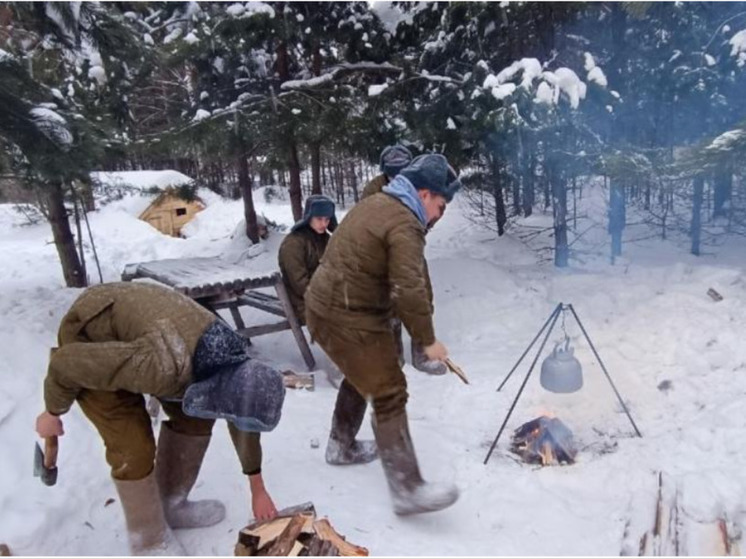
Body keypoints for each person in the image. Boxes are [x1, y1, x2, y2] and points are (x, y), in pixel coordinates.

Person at [35, 282, 286, 555]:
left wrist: (257, 487)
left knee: (197, 416)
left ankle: (171, 504)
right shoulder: (162, 365)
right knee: (134, 447)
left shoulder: (234, 359)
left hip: (143, 338)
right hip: (92, 337)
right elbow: (67, 363)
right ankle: (148, 540)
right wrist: (52, 411)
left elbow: (240, 414)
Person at [304, 153, 462, 515]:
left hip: (331, 307)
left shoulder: (378, 202)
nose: (440, 214)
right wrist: (427, 340)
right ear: (424, 194)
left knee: (366, 374)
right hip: (344, 314)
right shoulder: (405, 223)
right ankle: (408, 490)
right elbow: (409, 288)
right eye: (441, 204)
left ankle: (340, 446)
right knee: (389, 390)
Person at [363, 145, 447, 376]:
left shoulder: (421, 185)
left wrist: (423, 225)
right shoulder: (374, 189)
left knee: (421, 299)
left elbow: (437, 207)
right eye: (392, 172)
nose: (397, 176)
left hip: (411, 251)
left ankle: (423, 355)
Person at [278, 194, 337, 324]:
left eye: (327, 219)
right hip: (301, 302)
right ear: (309, 217)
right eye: (319, 218)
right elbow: (299, 283)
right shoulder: (294, 243)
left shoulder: (325, 239)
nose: (324, 223)